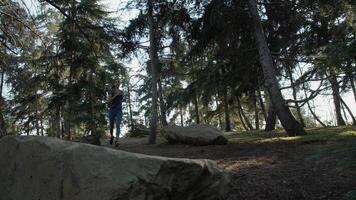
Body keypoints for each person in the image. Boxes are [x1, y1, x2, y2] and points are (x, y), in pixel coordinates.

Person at [108, 79, 124, 147]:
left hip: (119, 110)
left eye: (119, 82)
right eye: (116, 82)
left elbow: (121, 100)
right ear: (114, 83)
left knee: (118, 125)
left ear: (120, 84)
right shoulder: (111, 91)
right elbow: (109, 100)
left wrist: (124, 99)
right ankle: (112, 136)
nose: (118, 83)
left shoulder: (121, 92)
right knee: (111, 126)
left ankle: (117, 140)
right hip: (112, 110)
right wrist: (115, 96)